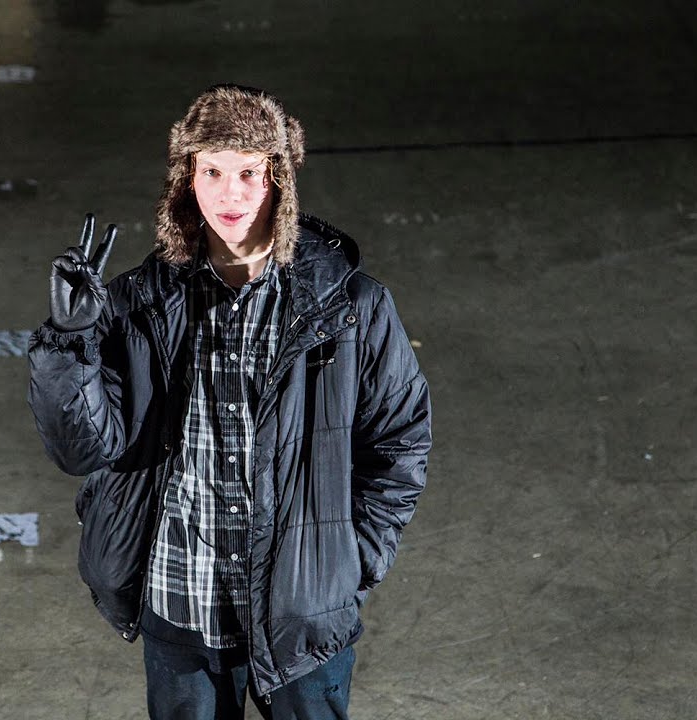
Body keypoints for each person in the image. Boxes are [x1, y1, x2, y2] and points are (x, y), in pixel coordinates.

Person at [27, 84, 432, 719]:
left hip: (301, 606)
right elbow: (80, 449)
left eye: (249, 172)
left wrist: (350, 562)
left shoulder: (350, 309)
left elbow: (399, 441)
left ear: (279, 181)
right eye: (212, 171)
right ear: (187, 178)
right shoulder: (141, 302)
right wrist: (69, 342)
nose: (231, 194)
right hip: (181, 595)